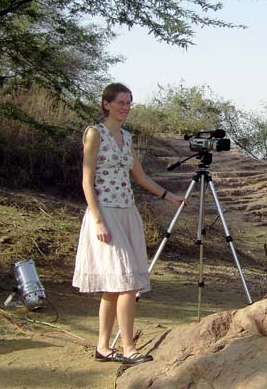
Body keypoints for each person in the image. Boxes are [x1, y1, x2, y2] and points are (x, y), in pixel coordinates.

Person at [72, 82, 184, 366]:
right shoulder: (94, 133)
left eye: (129, 103)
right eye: (121, 102)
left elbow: (140, 176)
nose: (126, 107)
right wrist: (97, 219)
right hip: (105, 213)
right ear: (106, 104)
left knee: (115, 285)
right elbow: (87, 180)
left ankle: (103, 348)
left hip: (127, 213)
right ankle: (128, 347)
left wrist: (169, 196)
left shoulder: (127, 137)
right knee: (127, 284)